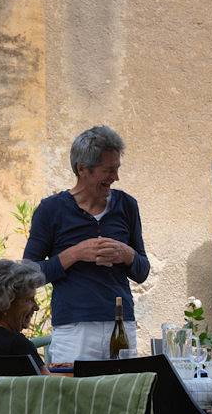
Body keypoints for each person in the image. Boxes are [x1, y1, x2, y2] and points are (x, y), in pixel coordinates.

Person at [24, 125, 151, 363]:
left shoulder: (127, 206)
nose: (116, 177)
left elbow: (142, 271)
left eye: (117, 169)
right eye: (108, 170)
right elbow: (28, 274)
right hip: (74, 329)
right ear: (83, 169)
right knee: (74, 397)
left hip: (122, 325)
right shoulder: (51, 210)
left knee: (122, 396)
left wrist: (127, 254)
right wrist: (74, 254)